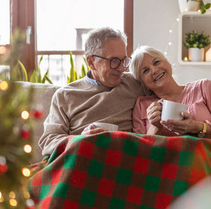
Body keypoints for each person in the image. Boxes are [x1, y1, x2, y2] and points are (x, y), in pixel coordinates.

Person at [38, 27, 144, 156]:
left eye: (124, 60)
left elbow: (168, 93)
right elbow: (48, 141)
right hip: (82, 159)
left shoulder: (134, 83)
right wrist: (79, 140)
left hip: (123, 159)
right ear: (91, 62)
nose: (122, 68)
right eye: (114, 61)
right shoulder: (65, 95)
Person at [129, 45, 211, 148]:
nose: (154, 70)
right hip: (165, 167)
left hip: (207, 161)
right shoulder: (141, 106)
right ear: (143, 83)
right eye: (145, 71)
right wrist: (155, 127)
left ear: (168, 63)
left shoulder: (204, 87)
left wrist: (196, 127)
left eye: (156, 62)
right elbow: (139, 152)